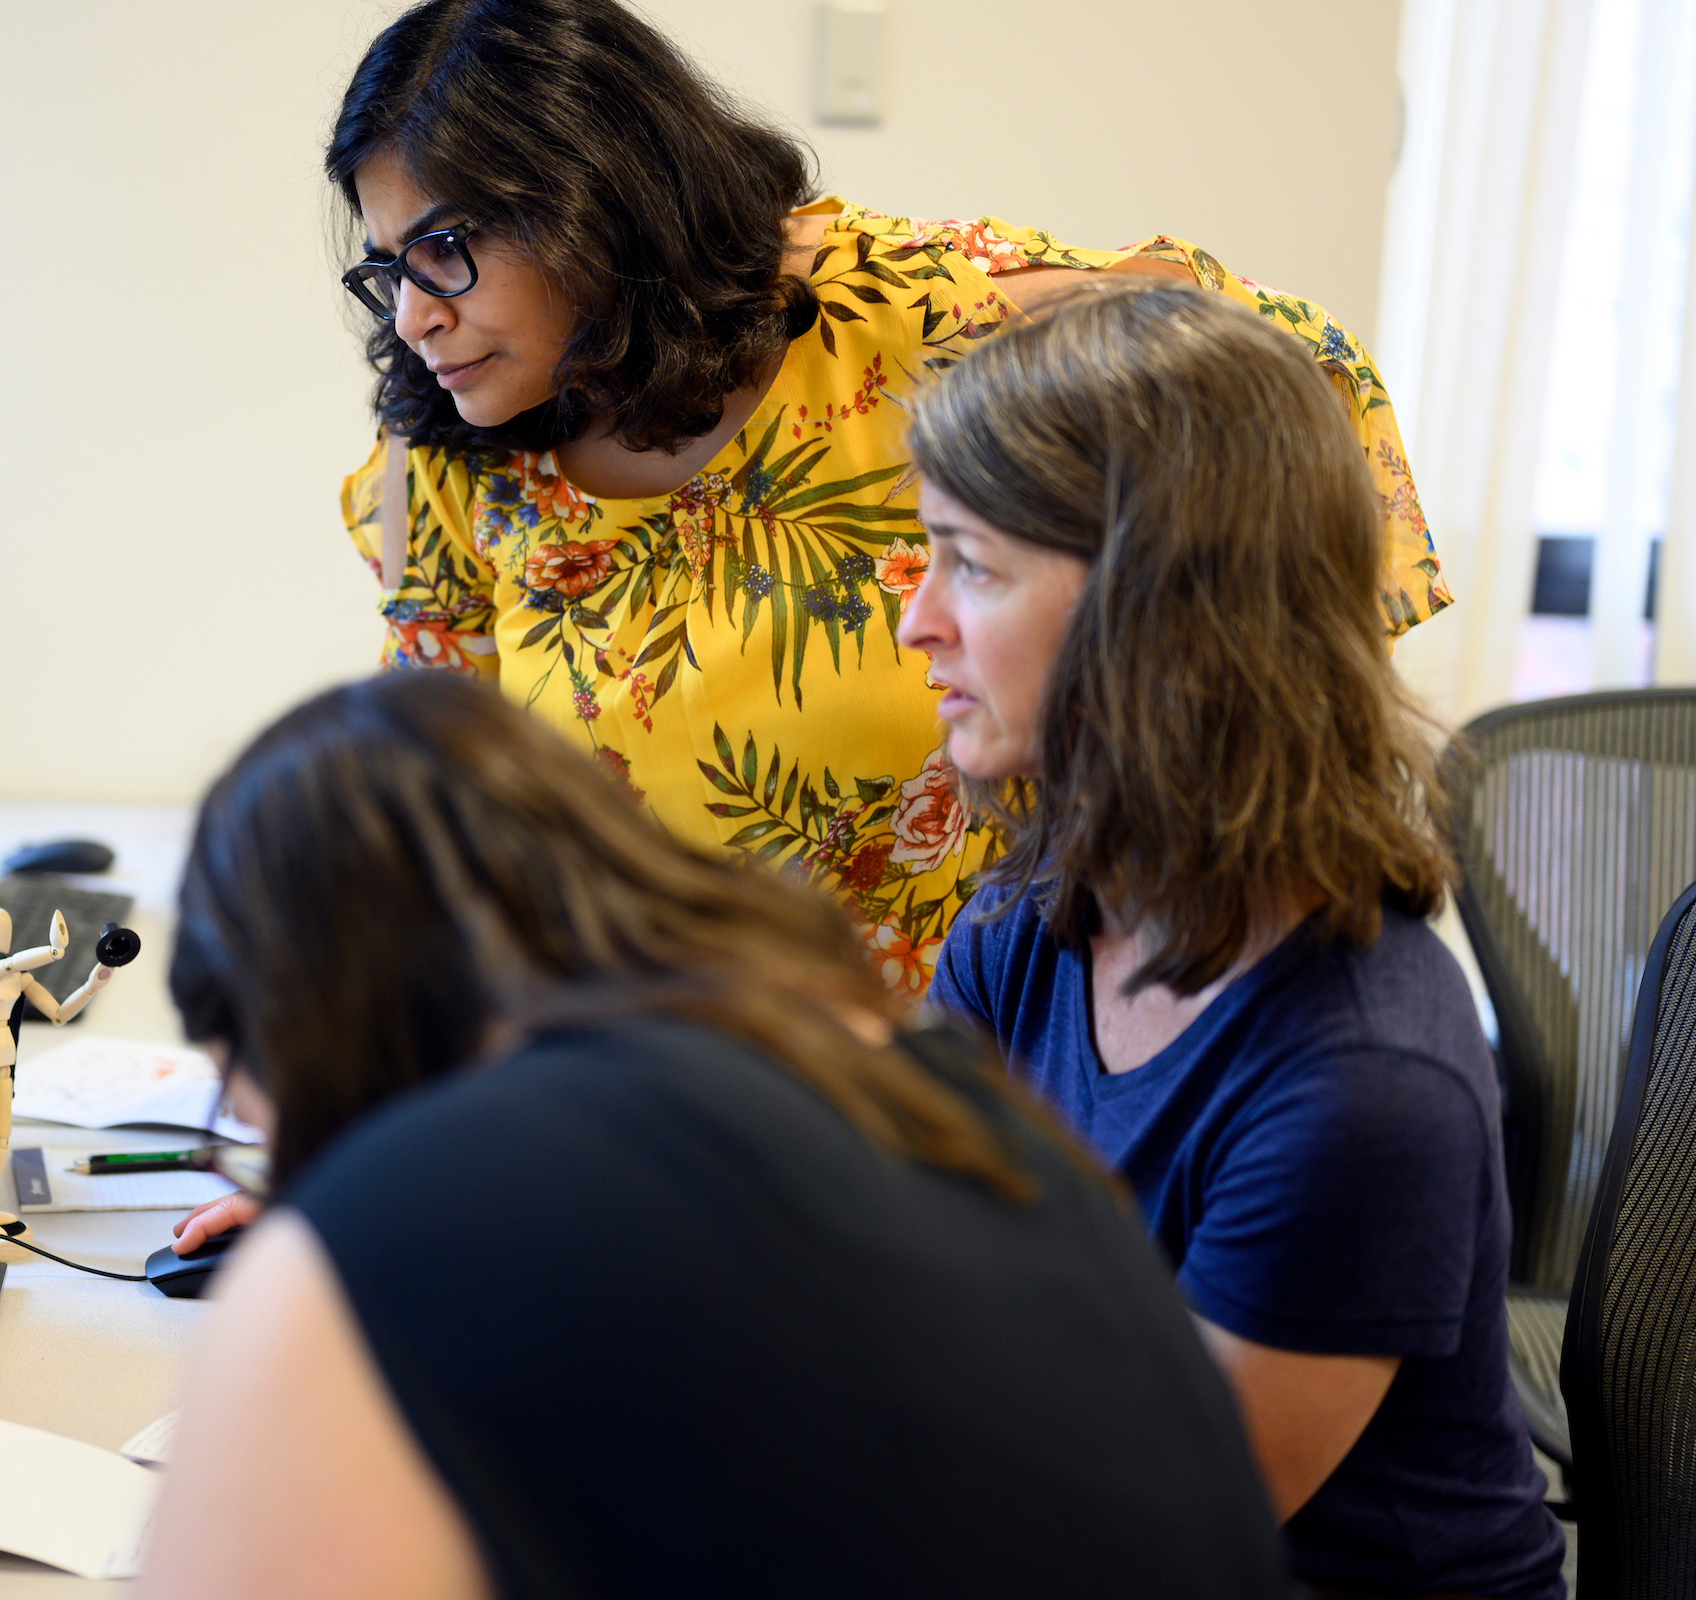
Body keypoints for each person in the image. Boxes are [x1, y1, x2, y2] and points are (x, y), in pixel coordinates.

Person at [331, 0, 1447, 1005]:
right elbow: (436, 824)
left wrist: (1238, 690)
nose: (415, 315)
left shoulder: (897, 312)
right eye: (388, 268)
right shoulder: (451, 440)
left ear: (586, 196)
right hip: (646, 1091)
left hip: (967, 1076)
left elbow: (1303, 361)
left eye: (444, 248)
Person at [138, 671, 1290, 1600]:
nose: (288, 1167)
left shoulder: (394, 1223)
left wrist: (313, 1269)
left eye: (255, 1115)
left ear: (308, 1023)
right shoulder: (912, 1083)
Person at [901, 283, 1565, 1600]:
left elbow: (1134, 1538)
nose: (918, 619)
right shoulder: (1024, 927)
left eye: (969, 564)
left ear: (1156, 611)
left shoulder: (1363, 1085)